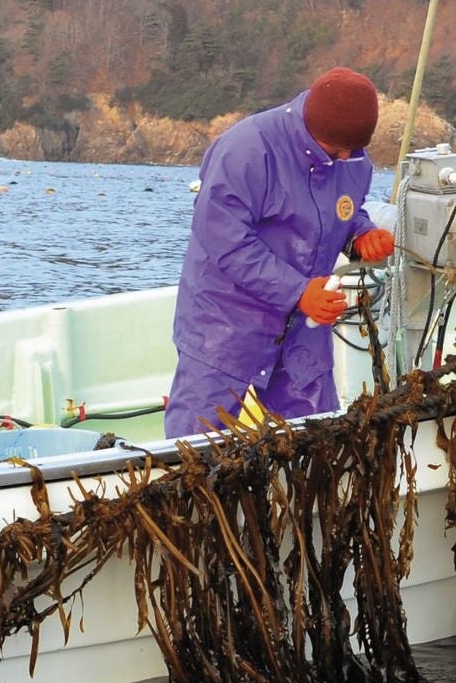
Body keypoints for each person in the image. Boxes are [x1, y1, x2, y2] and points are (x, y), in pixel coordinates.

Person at [164, 68, 397, 437]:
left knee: (317, 443)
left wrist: (360, 234)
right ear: (312, 128)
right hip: (224, 322)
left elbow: (344, 208)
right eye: (336, 149)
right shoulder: (246, 150)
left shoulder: (352, 158)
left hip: (302, 329)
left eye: (355, 150)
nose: (345, 157)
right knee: (195, 444)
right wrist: (298, 292)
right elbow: (225, 239)